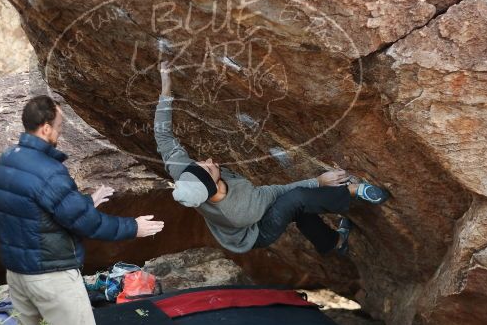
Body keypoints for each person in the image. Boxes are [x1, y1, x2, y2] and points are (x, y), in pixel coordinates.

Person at [0, 95, 163, 325]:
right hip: (52, 275)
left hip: (18, 275)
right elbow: (84, 224)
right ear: (45, 127)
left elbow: (38, 215)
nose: (61, 132)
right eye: (60, 126)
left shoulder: (7, 161)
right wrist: (133, 228)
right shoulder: (50, 172)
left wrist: (87, 201)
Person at [154, 61, 389, 257]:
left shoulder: (185, 174)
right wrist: (319, 182)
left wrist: (166, 87)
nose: (206, 160)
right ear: (211, 186)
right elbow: (280, 192)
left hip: (248, 213)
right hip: (256, 232)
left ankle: (335, 243)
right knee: (295, 201)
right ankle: (354, 191)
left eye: (199, 163)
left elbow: (163, 136)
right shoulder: (240, 209)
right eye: (207, 168)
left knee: (299, 210)